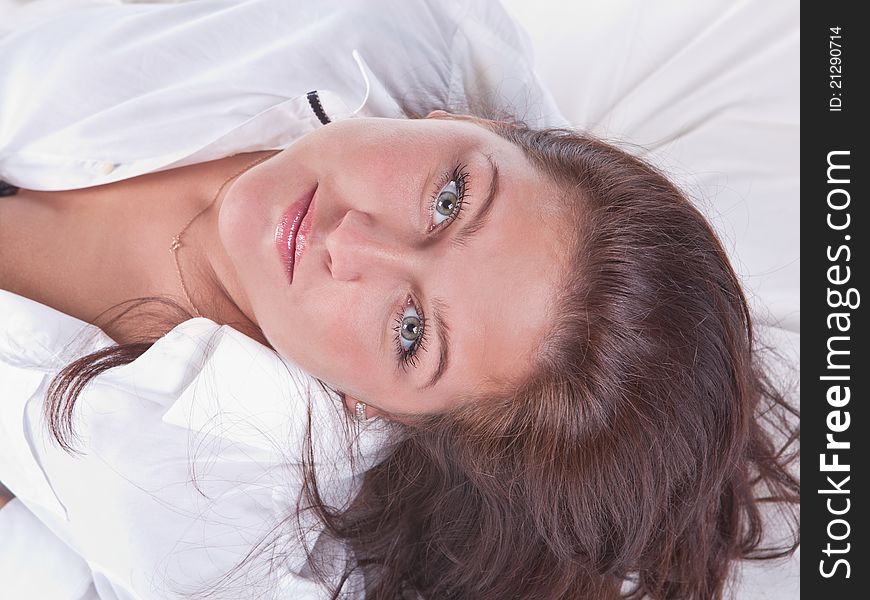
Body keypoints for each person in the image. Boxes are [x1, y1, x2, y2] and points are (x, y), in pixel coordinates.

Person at [0, 1, 799, 599]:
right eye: (450, 200)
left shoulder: (182, 495)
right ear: (478, 121)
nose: (351, 244)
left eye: (412, 332)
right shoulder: (376, 25)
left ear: (379, 412)